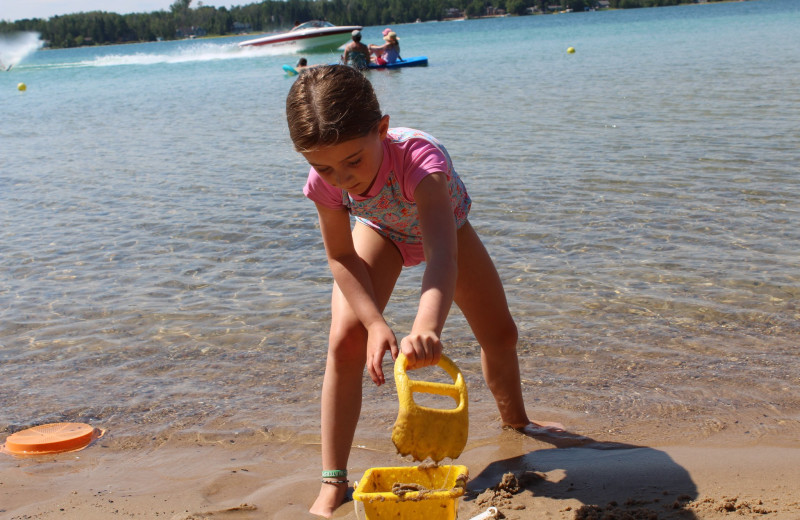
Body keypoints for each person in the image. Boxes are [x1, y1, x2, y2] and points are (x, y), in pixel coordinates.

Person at [285, 65, 564, 518]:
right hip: (381, 231)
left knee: (500, 333)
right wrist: (376, 323)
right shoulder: (327, 181)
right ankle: (333, 480)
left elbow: (441, 258)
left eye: (354, 160)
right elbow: (341, 258)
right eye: (323, 167)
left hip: (443, 232)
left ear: (382, 129)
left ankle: (518, 422)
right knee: (346, 338)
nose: (343, 178)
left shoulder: (420, 162)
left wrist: (424, 328)